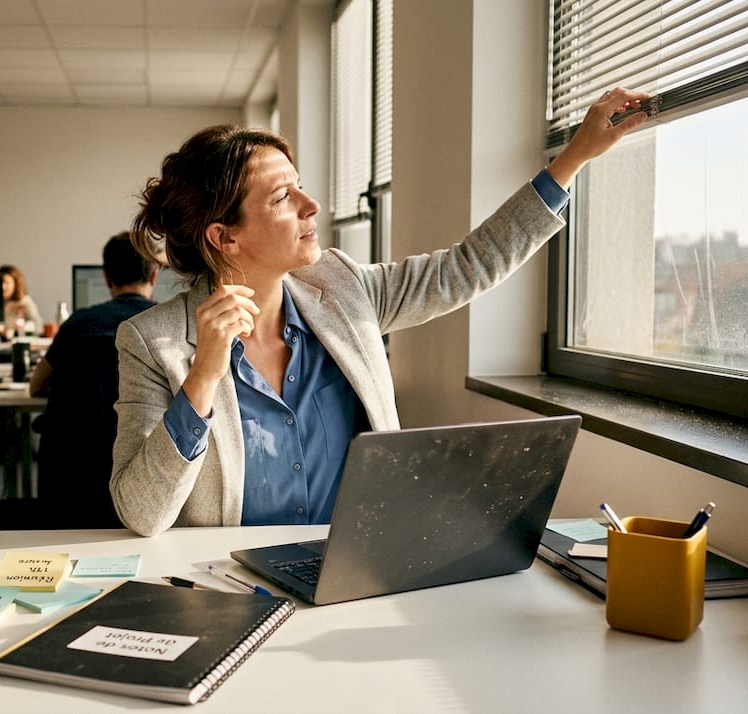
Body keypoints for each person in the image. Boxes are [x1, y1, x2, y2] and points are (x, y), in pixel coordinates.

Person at [110, 88, 652, 536]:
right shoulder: (152, 342)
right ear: (224, 237)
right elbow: (141, 514)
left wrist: (572, 158)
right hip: (227, 588)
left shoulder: (343, 289)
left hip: (353, 572)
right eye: (282, 198)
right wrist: (202, 379)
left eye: (301, 187)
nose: (311, 206)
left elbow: (466, 267)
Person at [27, 233, 160, 527]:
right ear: (154, 275)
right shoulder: (166, 325)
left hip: (70, 478)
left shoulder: (78, 323)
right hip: (141, 478)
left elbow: (36, 387)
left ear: (107, 277)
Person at [0, 264, 44, 338]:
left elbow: (38, 327)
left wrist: (12, 332)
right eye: (0, 282)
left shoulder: (24, 302)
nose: (3, 287)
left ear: (16, 284)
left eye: (6, 282)